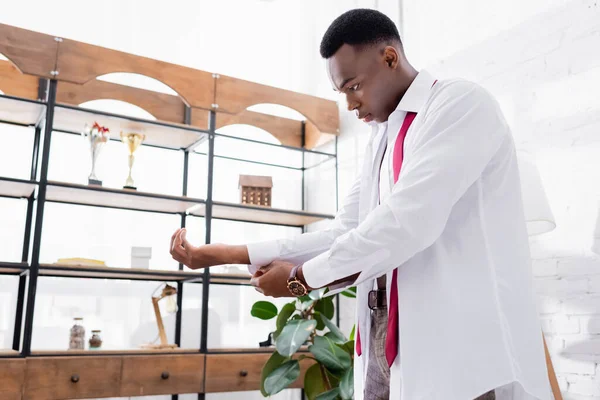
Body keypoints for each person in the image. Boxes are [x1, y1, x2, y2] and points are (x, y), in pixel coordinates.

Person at [170, 8, 552, 400]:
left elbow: (404, 222)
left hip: (451, 345)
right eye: (343, 93)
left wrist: (301, 278)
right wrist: (227, 253)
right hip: (381, 336)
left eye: (353, 86)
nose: (351, 105)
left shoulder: (460, 104)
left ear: (390, 58)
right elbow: (346, 230)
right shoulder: (382, 138)